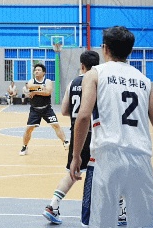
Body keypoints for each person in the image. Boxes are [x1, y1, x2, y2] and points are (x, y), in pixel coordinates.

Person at [69, 26, 153, 228]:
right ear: (130, 50)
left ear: (105, 48)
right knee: (148, 225)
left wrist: (76, 156)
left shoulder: (95, 74)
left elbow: (83, 117)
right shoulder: (144, 80)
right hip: (140, 160)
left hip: (105, 159)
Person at [43, 50, 102, 225]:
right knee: (109, 172)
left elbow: (64, 111)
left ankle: (53, 205)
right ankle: (121, 212)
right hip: (95, 134)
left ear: (82, 65)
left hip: (77, 133)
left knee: (72, 171)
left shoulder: (73, 83)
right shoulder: (98, 81)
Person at [19, 63, 69, 156]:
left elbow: (48, 92)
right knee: (29, 128)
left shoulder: (48, 81)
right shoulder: (31, 81)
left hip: (47, 109)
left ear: (44, 72)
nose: (36, 71)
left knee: (56, 125)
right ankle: (24, 146)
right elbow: (30, 86)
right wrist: (40, 87)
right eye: (35, 70)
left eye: (39, 70)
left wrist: (35, 92)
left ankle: (65, 142)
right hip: (35, 109)